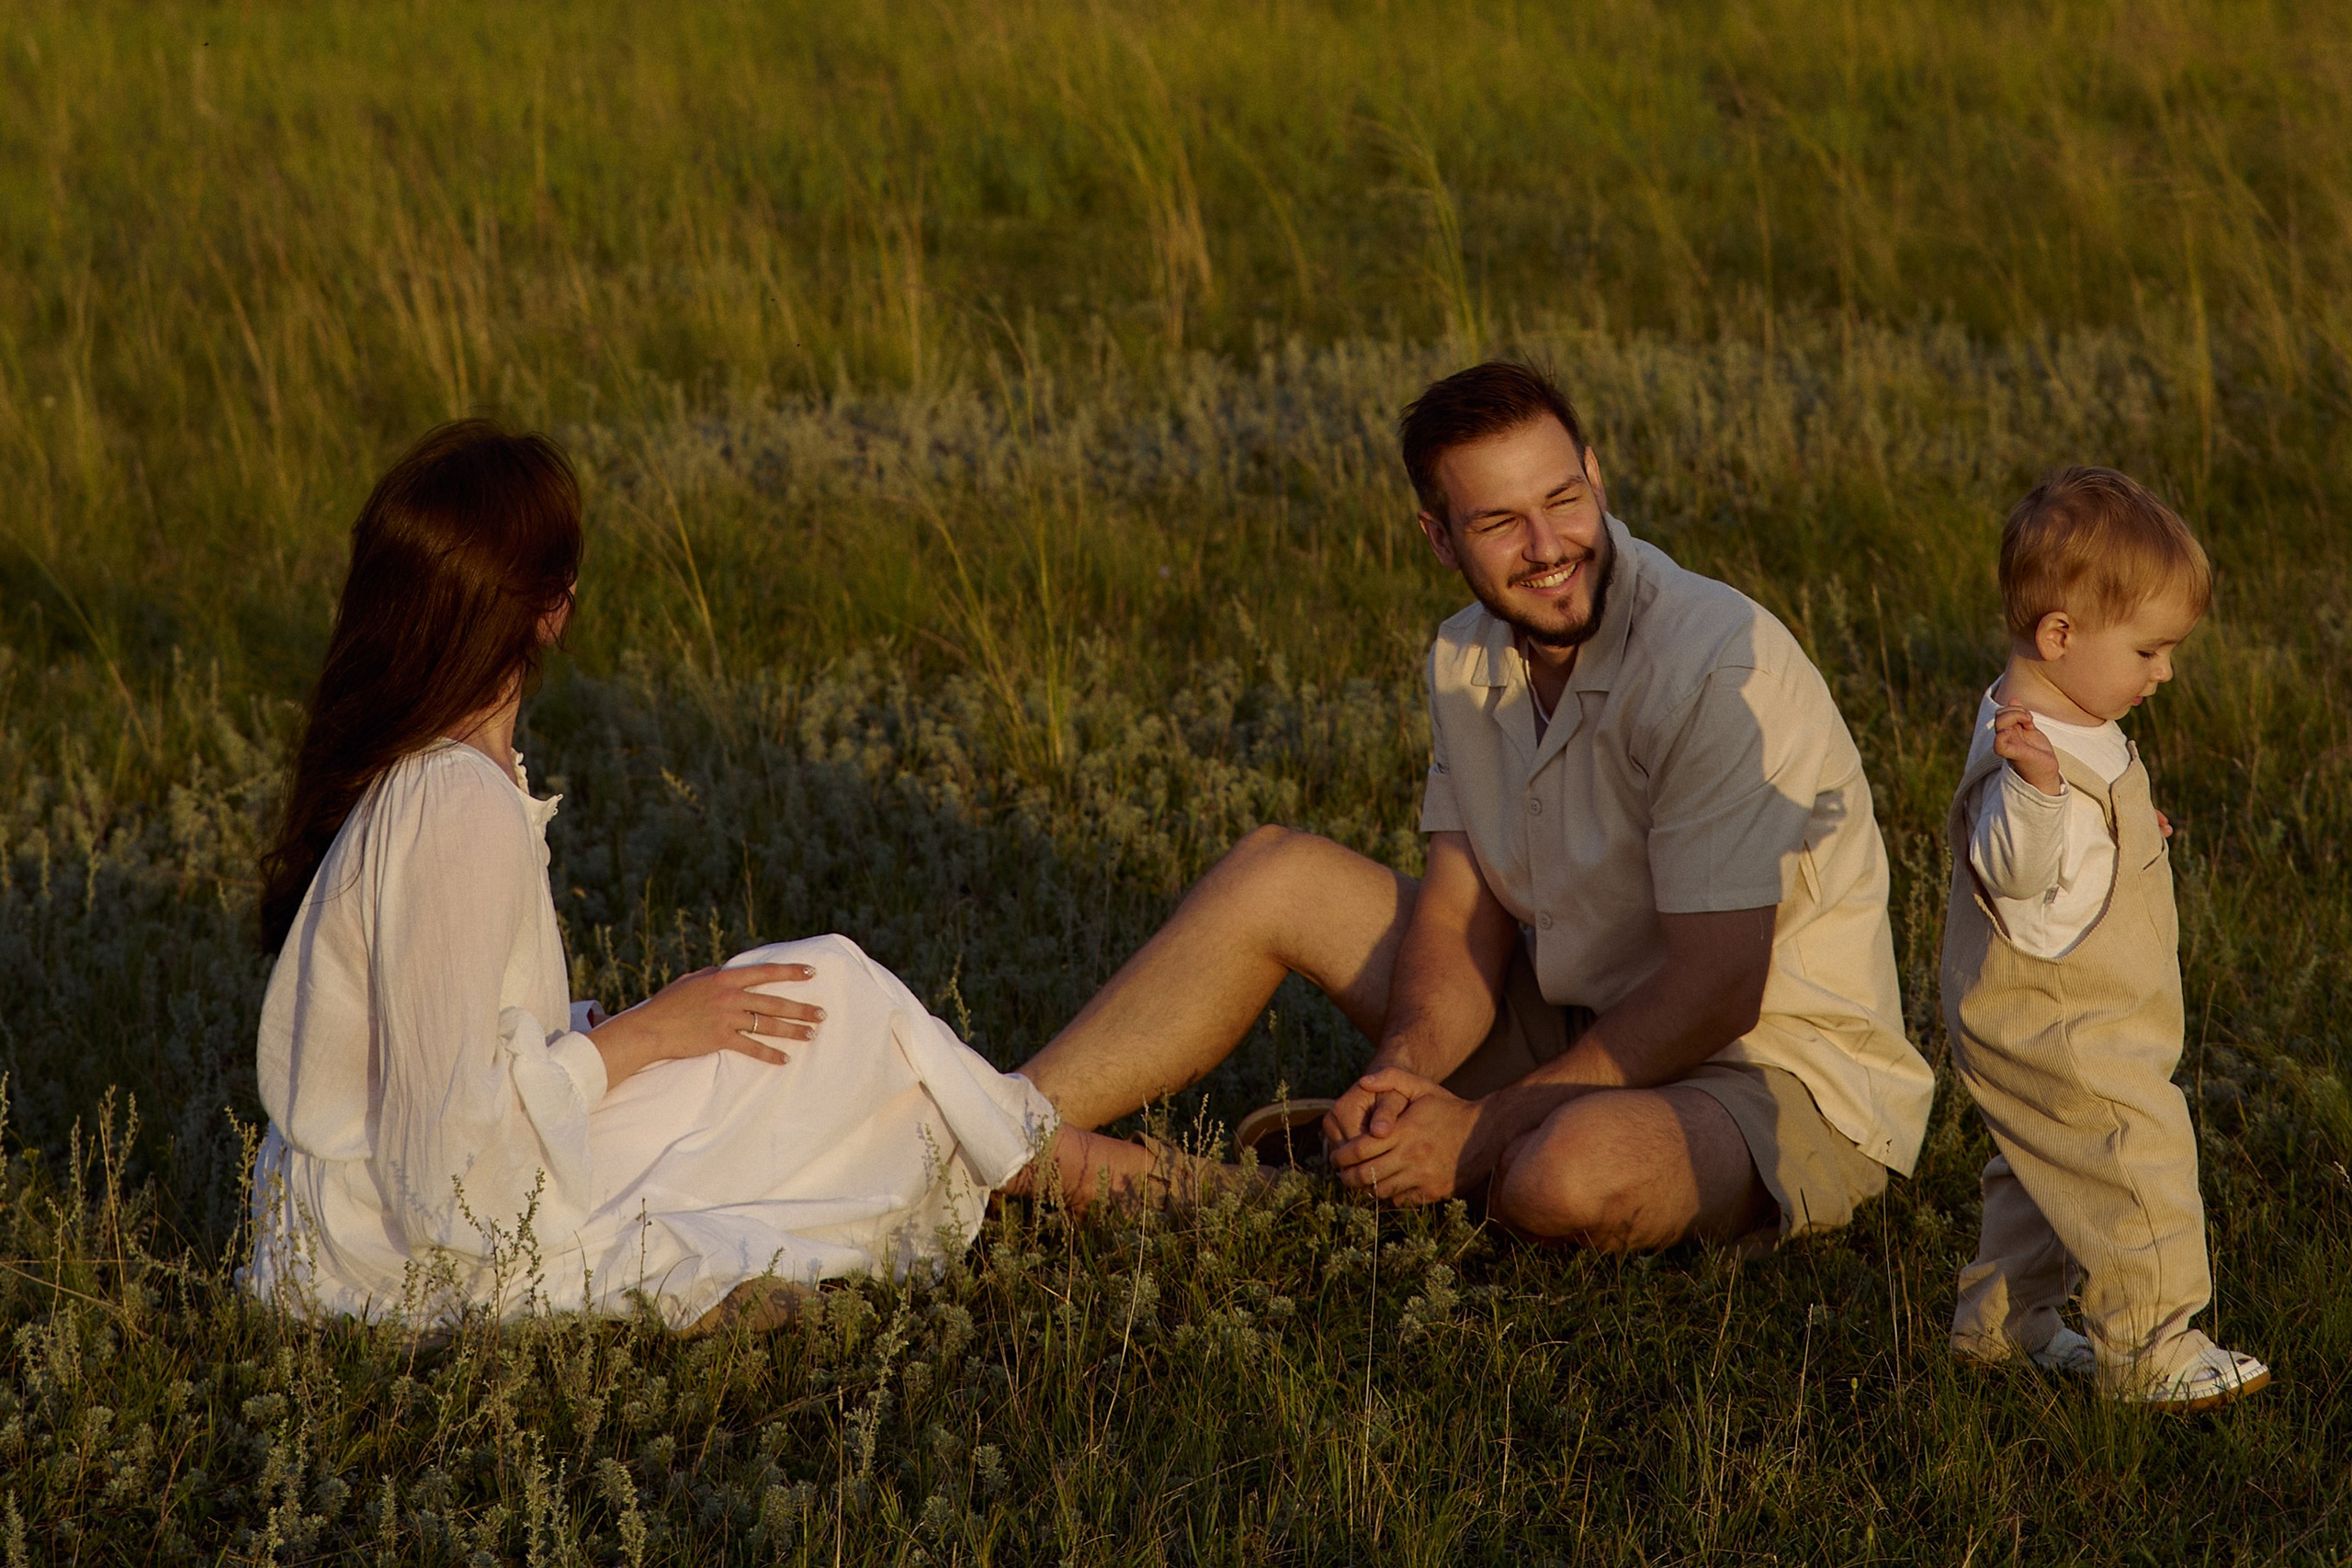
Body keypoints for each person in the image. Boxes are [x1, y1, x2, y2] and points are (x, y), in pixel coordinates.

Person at [248, 420, 1177, 1327]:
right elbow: (446, 1164)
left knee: (813, 1011)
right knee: (837, 1001)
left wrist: (589, 1036)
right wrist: (641, 1038)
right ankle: (1143, 1181)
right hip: (398, 1244)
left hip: (422, 1196)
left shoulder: (444, 781)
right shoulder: (453, 802)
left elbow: (449, 1065)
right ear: (553, 608)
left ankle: (1104, 1172)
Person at [1028, 359, 1932, 1247]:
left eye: (1563, 499)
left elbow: (1717, 989)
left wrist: (1477, 1127)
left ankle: (1259, 1198)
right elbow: (1463, 917)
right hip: (1574, 1016)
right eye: (1499, 520)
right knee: (1276, 870)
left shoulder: (1714, 665)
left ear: (1595, 475)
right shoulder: (1464, 654)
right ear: (1439, 537)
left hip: (1769, 1072)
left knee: (1560, 1174)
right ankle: (989, 1133)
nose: (1547, 547)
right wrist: (1401, 1073)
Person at [1941, 466, 2269, 1404]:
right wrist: (2041, 794)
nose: (2162, 670)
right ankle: (2153, 1347)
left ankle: (2005, 1326)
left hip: (2031, 1009)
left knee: (2049, 1163)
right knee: (2133, 1157)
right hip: (2065, 1017)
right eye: (2149, 649)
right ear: (2060, 634)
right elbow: (2011, 865)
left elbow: (2078, 830)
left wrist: (2124, 828)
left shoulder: (2066, 713)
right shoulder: (2028, 751)